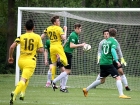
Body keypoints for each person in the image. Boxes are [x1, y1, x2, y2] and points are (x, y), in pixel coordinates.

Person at [83, 28, 131, 99]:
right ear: (116, 34)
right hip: (108, 63)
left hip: (102, 63)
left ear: (109, 33)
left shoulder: (105, 41)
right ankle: (121, 94)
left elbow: (101, 51)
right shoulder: (113, 41)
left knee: (102, 80)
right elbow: (112, 50)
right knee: (118, 78)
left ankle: (86, 89)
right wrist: (117, 61)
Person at [8, 19, 44, 105]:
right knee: (23, 79)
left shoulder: (21, 36)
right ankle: (15, 93)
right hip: (30, 62)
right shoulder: (37, 37)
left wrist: (10, 57)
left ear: (25, 27)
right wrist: (35, 50)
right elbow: (41, 50)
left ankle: (22, 93)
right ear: (33, 27)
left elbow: (12, 47)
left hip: (21, 61)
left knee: (26, 77)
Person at [52, 23, 86, 91]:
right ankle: (54, 81)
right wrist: (81, 45)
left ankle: (63, 87)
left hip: (65, 53)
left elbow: (66, 43)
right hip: (67, 53)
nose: (80, 30)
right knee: (68, 71)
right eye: (79, 28)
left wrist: (61, 51)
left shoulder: (74, 34)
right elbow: (71, 46)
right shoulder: (73, 35)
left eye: (81, 28)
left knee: (65, 71)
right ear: (76, 28)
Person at [42, 15, 68, 91]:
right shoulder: (59, 28)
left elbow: (42, 36)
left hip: (52, 48)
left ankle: (52, 81)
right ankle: (55, 81)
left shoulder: (48, 28)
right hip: (58, 47)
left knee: (53, 65)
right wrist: (65, 30)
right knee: (66, 66)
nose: (59, 22)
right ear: (54, 22)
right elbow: (64, 38)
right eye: (58, 21)